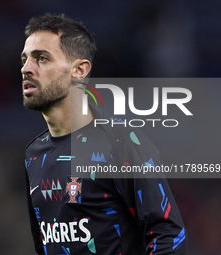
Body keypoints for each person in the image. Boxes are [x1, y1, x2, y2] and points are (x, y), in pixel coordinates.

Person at [21, 13, 186, 255]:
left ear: (79, 70)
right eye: (24, 59)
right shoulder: (33, 154)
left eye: (42, 59)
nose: (26, 68)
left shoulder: (121, 142)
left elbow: (169, 236)